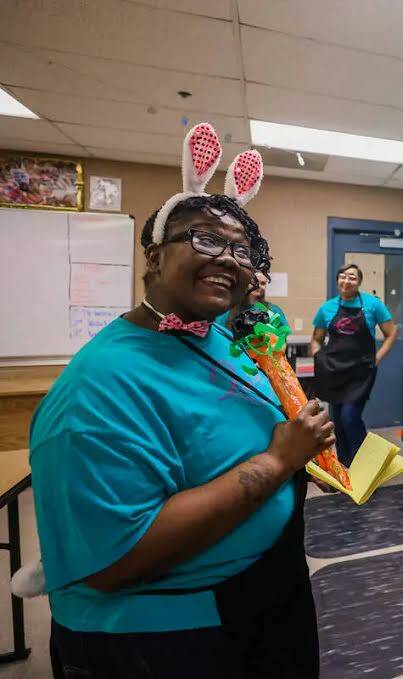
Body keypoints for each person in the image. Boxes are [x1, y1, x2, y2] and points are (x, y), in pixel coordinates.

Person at [30, 124, 332, 678]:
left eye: (242, 249)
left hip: (264, 592)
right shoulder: (98, 386)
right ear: (153, 258)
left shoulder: (210, 333)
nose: (230, 259)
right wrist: (280, 460)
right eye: (204, 239)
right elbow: (117, 558)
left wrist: (303, 443)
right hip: (168, 635)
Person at [311, 263, 396, 465]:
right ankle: (346, 465)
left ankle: (366, 465)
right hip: (334, 371)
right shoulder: (327, 307)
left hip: (361, 373)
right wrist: (318, 357)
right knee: (338, 422)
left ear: (359, 282)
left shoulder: (373, 305)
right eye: (342, 276)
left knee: (350, 418)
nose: (346, 280)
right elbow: (317, 339)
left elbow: (391, 333)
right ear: (338, 280)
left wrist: (377, 358)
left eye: (352, 277)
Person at [215, 270, 287, 332]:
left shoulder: (273, 310)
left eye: (263, 283)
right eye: (254, 281)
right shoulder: (228, 310)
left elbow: (284, 333)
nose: (258, 286)